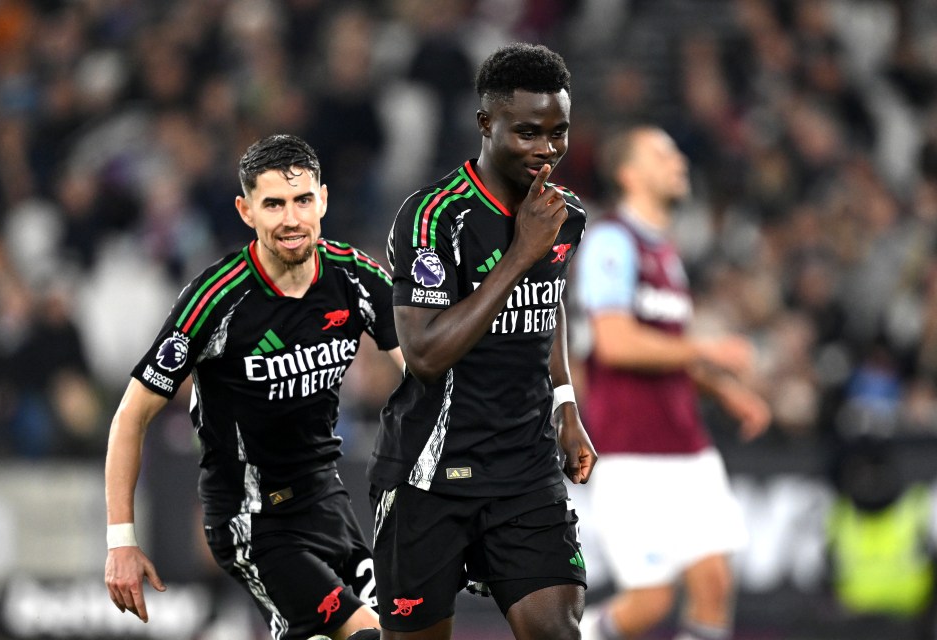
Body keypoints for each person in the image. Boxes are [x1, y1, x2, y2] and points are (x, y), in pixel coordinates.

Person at [104, 134, 402, 640]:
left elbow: (424, 369)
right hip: (253, 517)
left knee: (404, 628)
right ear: (246, 211)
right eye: (274, 204)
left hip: (327, 500)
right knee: (368, 635)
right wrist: (120, 542)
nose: (291, 219)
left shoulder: (355, 277)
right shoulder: (215, 299)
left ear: (323, 200)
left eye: (303, 200)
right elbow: (131, 415)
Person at [368, 42, 597, 640]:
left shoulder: (563, 216)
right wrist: (521, 252)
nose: (547, 150)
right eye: (527, 133)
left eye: (558, 132)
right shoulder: (432, 218)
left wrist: (565, 403)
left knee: (558, 629)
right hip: (429, 473)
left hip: (524, 468)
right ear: (485, 124)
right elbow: (424, 354)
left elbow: (549, 304)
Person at [575, 125, 771, 640]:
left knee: (714, 580)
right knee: (650, 601)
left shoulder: (665, 252)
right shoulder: (611, 242)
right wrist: (705, 347)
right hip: (632, 449)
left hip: (686, 444)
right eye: (663, 154)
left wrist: (722, 389)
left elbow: (665, 347)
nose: (679, 162)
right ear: (629, 174)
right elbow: (614, 342)